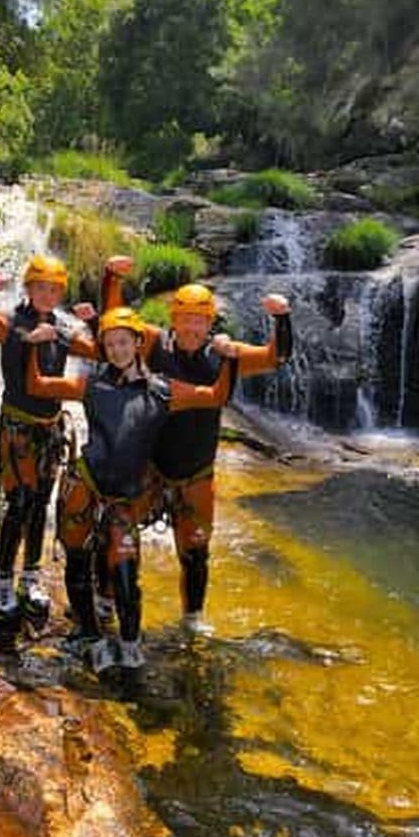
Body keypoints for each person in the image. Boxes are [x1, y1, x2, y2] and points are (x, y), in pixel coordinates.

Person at [25, 305, 232, 670]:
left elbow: (215, 396)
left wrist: (229, 358)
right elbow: (37, 385)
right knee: (78, 564)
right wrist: (32, 345)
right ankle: (89, 635)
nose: (117, 350)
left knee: (125, 573)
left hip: (123, 498)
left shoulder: (164, 392)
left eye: (123, 342)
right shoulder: (92, 385)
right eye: (109, 344)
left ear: (139, 343)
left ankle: (131, 642)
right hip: (83, 487)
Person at [103, 262, 292, 632]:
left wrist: (282, 318)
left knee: (196, 553)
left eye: (199, 321)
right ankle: (106, 599)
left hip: (196, 474)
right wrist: (113, 278)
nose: (191, 327)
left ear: (210, 323)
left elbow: (275, 357)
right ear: (174, 319)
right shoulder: (153, 344)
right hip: (151, 466)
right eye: (185, 319)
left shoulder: (224, 355)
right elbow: (113, 321)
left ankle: (192, 618)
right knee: (117, 531)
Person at [0, 254, 98, 626]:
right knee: (18, 504)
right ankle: (3, 580)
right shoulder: (9, 321)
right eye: (41, 288)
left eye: (54, 289)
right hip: (17, 427)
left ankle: (30, 577)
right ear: (29, 288)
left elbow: (105, 352)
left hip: (50, 429)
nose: (47, 295)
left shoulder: (64, 329)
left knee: (41, 504)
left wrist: (94, 322)